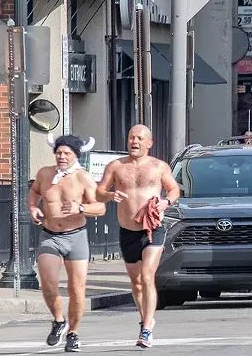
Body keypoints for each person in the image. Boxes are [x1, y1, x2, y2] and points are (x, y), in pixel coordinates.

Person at [95, 125, 179, 348]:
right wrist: (110, 194)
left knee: (146, 276)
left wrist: (166, 202)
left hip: (152, 228)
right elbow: (98, 192)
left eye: (140, 138)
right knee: (136, 283)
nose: (134, 141)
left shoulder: (159, 167)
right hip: (127, 231)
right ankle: (144, 320)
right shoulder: (116, 166)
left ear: (149, 143)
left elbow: (174, 190)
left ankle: (147, 329)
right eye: (131, 137)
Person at [30, 135, 104, 352]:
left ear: (75, 155)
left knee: (77, 289)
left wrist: (80, 208)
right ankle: (59, 320)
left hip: (76, 237)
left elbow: (100, 208)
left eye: (67, 153)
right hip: (50, 235)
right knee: (49, 284)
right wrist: (33, 208)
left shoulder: (83, 178)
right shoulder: (45, 174)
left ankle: (73, 332)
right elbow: (34, 192)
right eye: (59, 152)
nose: (62, 156)